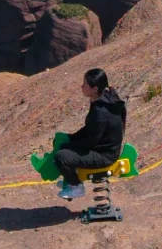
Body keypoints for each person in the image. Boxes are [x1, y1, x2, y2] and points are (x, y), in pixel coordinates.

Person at [54, 68, 127, 200]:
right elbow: (91, 128)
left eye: (85, 84)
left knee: (62, 157)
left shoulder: (101, 110)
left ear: (94, 89)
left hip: (105, 155)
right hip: (103, 149)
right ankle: (70, 178)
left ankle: (76, 186)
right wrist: (71, 138)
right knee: (65, 146)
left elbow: (91, 141)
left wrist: (69, 146)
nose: (81, 86)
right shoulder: (103, 100)